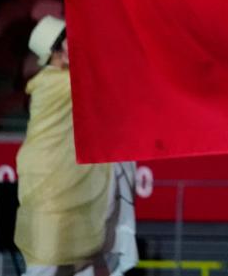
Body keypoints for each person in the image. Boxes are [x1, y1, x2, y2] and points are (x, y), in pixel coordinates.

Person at [15, 15, 138, 276]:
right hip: (49, 185)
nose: (75, 45)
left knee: (83, 262)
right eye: (68, 41)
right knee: (44, 265)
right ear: (55, 51)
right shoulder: (54, 83)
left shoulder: (68, 79)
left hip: (75, 180)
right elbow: (104, 77)